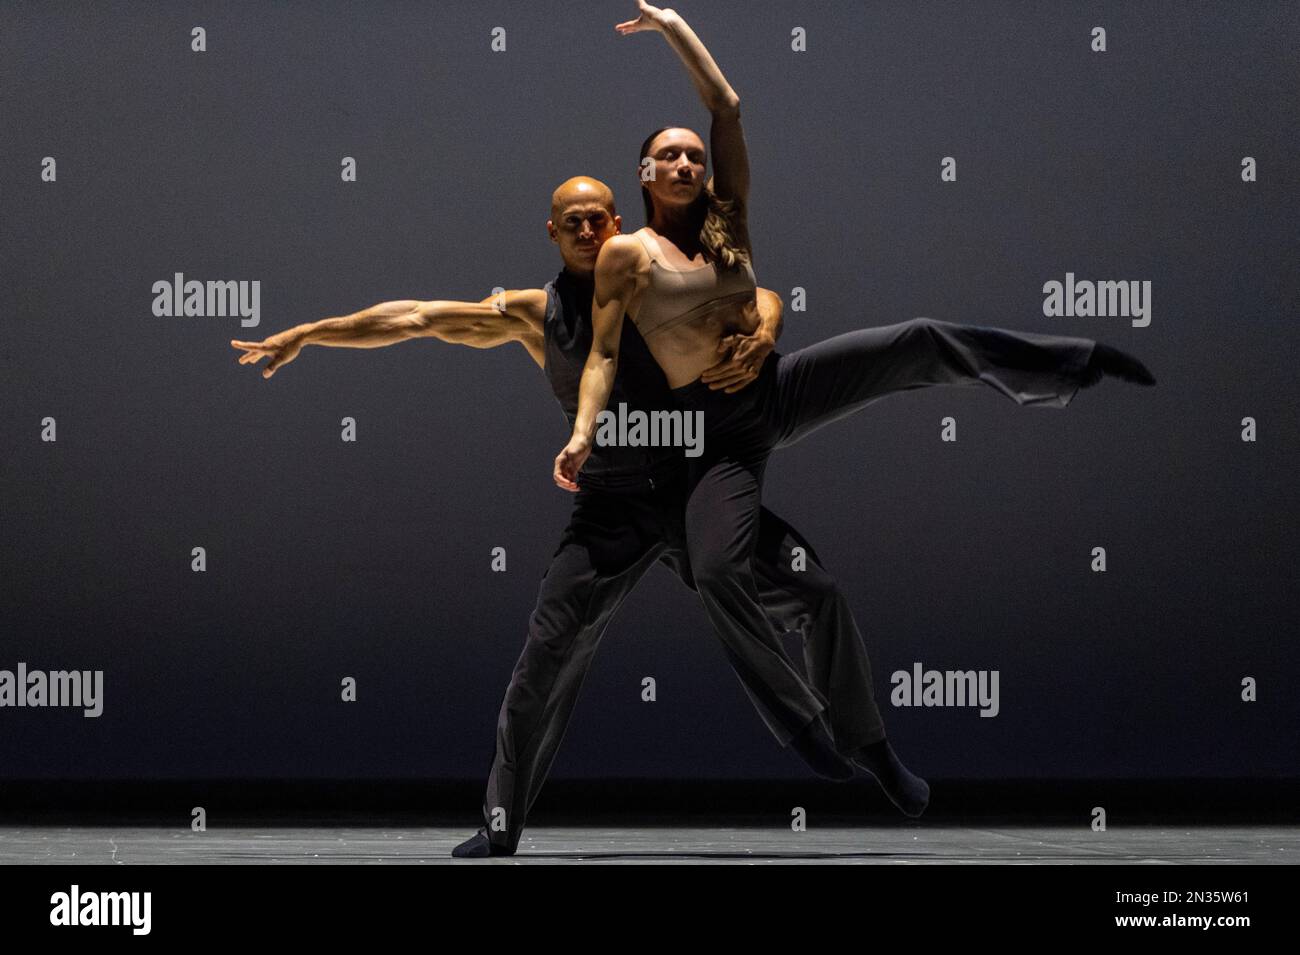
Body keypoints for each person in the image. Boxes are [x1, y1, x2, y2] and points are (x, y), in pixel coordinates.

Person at [556, 2, 1156, 801]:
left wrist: (673, 28)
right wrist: (582, 435)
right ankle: (823, 728)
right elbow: (600, 352)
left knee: (915, 339)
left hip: (772, 390)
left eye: (694, 156)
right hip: (716, 435)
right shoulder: (627, 254)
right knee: (735, 574)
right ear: (644, 173)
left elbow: (727, 107)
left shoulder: (727, 221)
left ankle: (1069, 365)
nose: (686, 164)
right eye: (669, 156)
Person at [233, 175, 916, 858]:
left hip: (690, 490)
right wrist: (310, 334)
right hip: (608, 510)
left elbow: (752, 291)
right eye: (573, 223)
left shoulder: (658, 284)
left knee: (814, 591)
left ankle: (871, 747)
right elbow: (417, 318)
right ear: (552, 233)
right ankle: (500, 824)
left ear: (617, 224)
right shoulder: (536, 313)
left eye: (598, 220)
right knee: (545, 660)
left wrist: (766, 323)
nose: (588, 232)